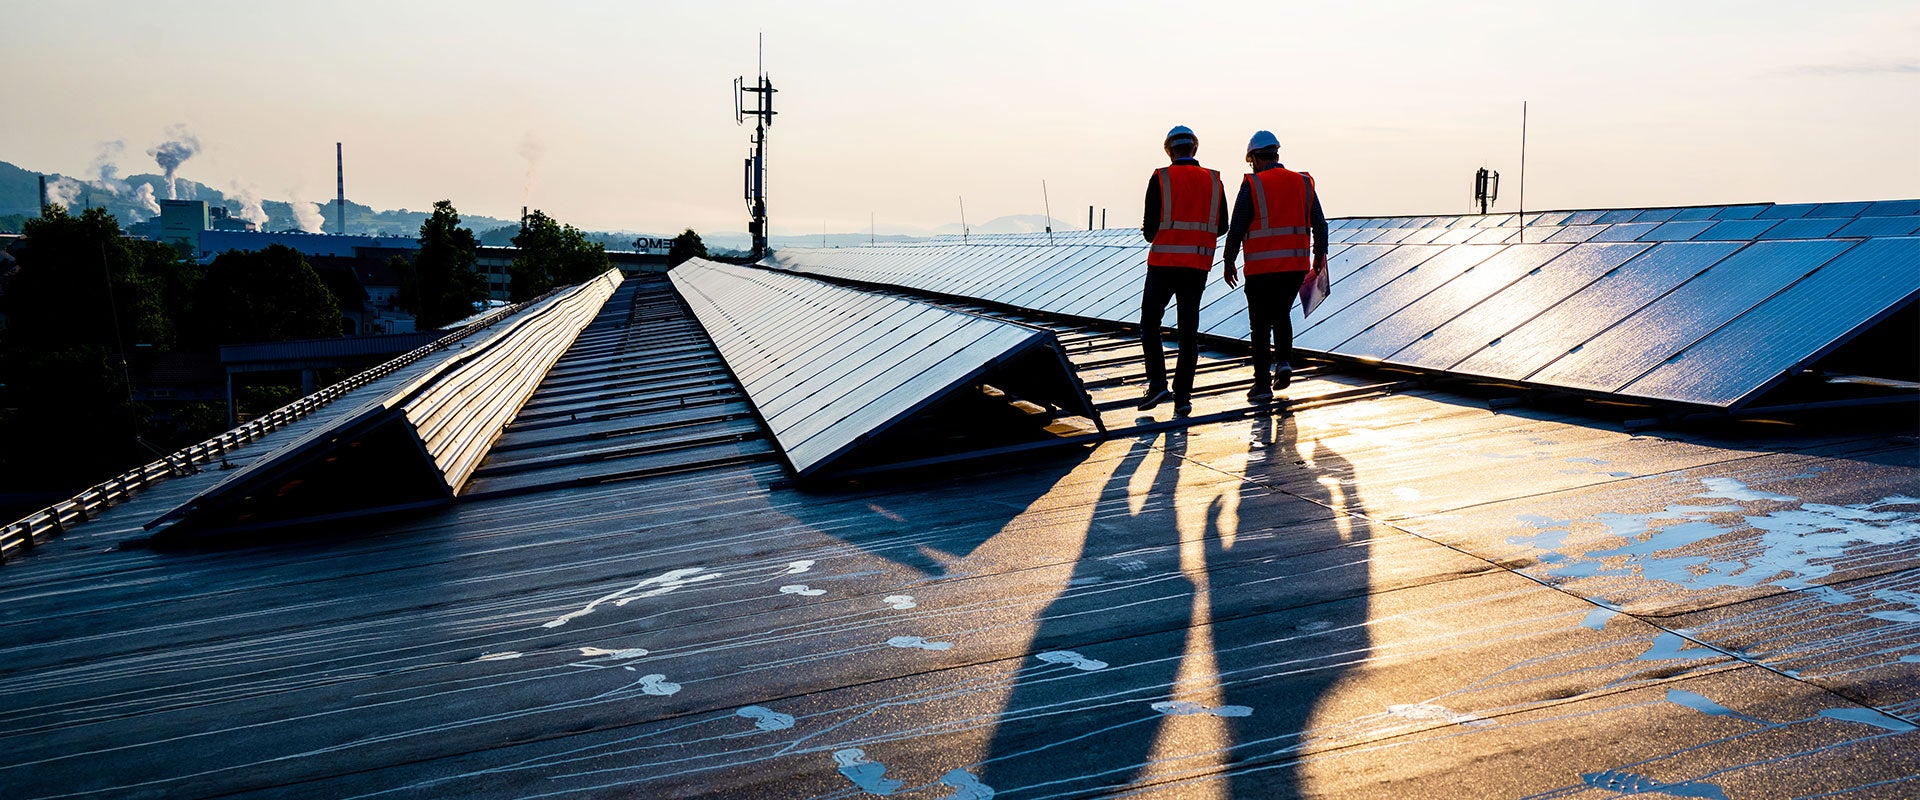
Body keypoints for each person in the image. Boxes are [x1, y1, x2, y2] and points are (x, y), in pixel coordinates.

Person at [1222, 130, 1328, 404]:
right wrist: (1319, 255)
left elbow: (1237, 228)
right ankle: (1283, 362)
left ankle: (1261, 385)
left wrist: (1229, 260)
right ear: (1276, 154)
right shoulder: (1303, 182)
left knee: (1259, 324)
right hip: (1295, 267)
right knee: (1281, 313)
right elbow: (1320, 223)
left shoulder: (1253, 185)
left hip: (1261, 270)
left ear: (1255, 158)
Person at [1138, 125, 1229, 416]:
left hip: (1163, 265)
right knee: (1188, 331)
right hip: (1196, 267)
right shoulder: (1214, 181)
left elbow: (1151, 231)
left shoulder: (1161, 178)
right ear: (1195, 148)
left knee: (1150, 324)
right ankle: (1183, 397)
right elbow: (1223, 226)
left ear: (1169, 150)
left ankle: (1157, 384)